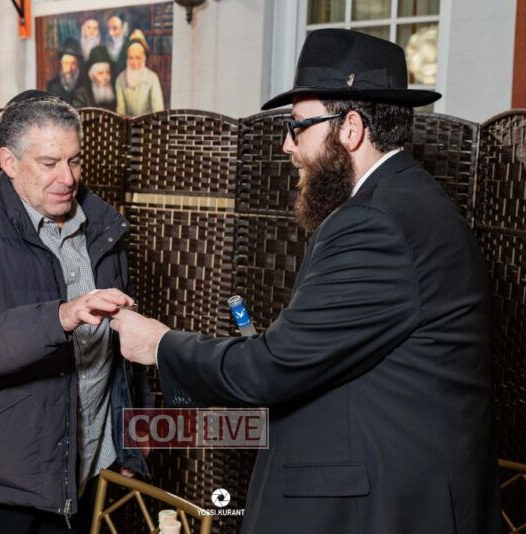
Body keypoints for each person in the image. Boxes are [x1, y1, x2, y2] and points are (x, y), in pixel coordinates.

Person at [110, 29, 501, 533]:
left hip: (380, 510)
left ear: (350, 128)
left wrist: (158, 344)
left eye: (297, 127)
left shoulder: (376, 222)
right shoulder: (403, 200)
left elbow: (273, 368)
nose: (286, 145)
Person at [0, 90, 149, 534]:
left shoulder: (104, 230)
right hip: (1, 486)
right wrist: (59, 316)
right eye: (49, 163)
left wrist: (131, 442)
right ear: (8, 161)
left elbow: (123, 356)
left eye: (75, 160)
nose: (68, 177)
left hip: (88, 469)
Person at [114, 41, 164, 116]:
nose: (134, 62)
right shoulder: (120, 79)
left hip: (148, 122)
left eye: (138, 58)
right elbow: (121, 112)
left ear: (143, 59)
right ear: (127, 59)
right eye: (131, 58)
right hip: (127, 122)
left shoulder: (153, 78)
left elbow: (158, 110)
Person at [46, 38, 90, 108]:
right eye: (66, 63)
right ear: (61, 64)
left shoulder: (85, 85)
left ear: (77, 65)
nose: (69, 69)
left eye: (73, 63)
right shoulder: (52, 86)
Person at [85, 46, 117, 111]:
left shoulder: (116, 91)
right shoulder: (83, 95)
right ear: (91, 76)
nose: (105, 77)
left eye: (108, 72)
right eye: (100, 73)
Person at [104, 14, 129, 79]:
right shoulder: (105, 45)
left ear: (124, 27)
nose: (110, 33)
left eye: (115, 28)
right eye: (109, 28)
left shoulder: (130, 45)